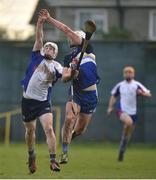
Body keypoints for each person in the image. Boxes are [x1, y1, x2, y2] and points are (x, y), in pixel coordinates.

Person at [39, 9, 100, 164]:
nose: (68, 37)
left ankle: (69, 138)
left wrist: (50, 19)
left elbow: (66, 29)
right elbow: (65, 79)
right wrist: (72, 74)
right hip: (76, 93)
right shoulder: (68, 58)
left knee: (80, 130)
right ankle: (65, 152)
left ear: (80, 37)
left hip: (91, 96)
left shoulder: (87, 48)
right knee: (69, 118)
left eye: (72, 35)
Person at [21, 15, 62, 173]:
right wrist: (39, 23)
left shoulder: (57, 66)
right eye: (47, 47)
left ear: (55, 54)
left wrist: (72, 72)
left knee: (49, 129)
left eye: (52, 49)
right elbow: (39, 37)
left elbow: (64, 75)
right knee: (30, 130)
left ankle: (53, 160)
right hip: (27, 101)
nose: (49, 49)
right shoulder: (36, 56)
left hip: (43, 102)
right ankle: (31, 156)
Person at [107, 66, 151, 161]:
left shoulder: (137, 85)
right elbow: (113, 96)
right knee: (128, 122)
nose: (128, 74)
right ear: (124, 74)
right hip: (121, 110)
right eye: (126, 72)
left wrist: (142, 93)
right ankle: (123, 142)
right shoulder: (120, 85)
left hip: (133, 112)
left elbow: (148, 94)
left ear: (133, 74)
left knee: (127, 134)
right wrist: (110, 107)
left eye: (130, 72)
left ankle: (122, 150)